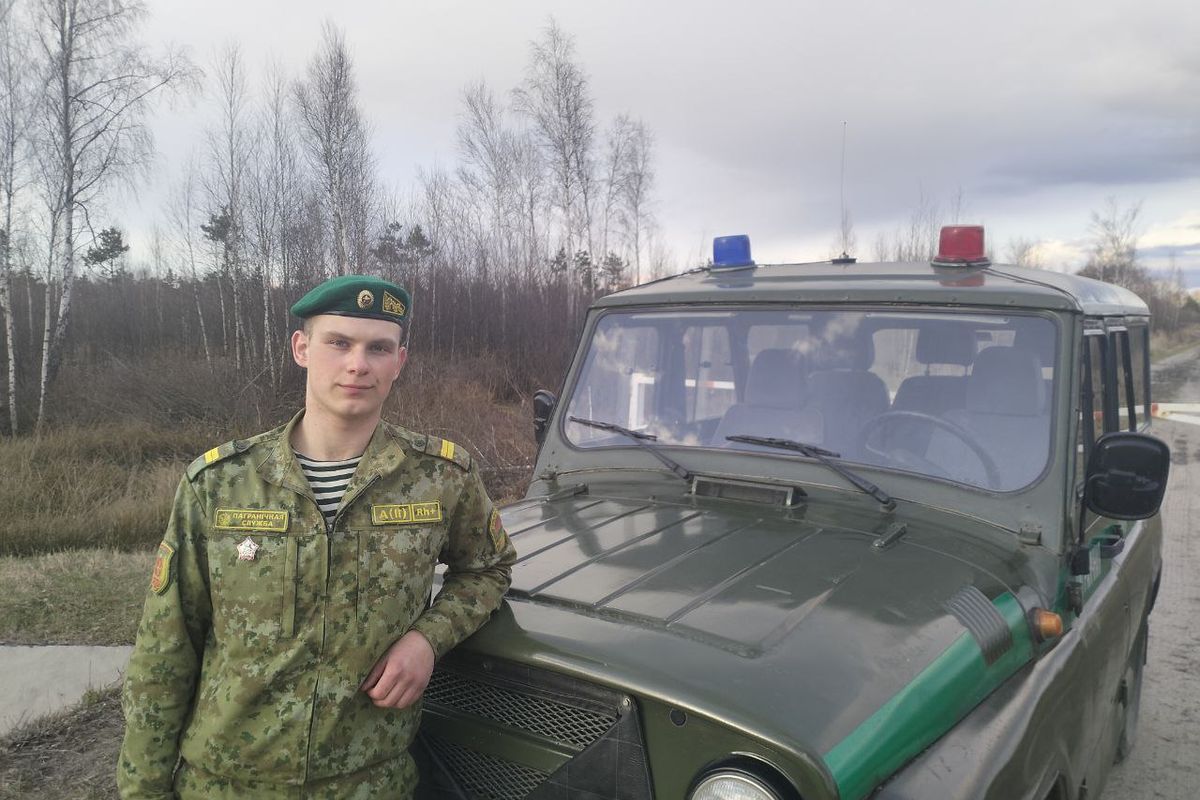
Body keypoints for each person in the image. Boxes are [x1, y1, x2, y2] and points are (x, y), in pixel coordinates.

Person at [118, 275, 517, 799]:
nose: (358, 364)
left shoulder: (441, 477)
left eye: (378, 348)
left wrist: (427, 640)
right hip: (228, 781)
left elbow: (488, 568)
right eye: (339, 343)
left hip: (370, 782)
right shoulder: (220, 483)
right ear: (301, 349)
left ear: (400, 361)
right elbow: (165, 647)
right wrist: (143, 789)